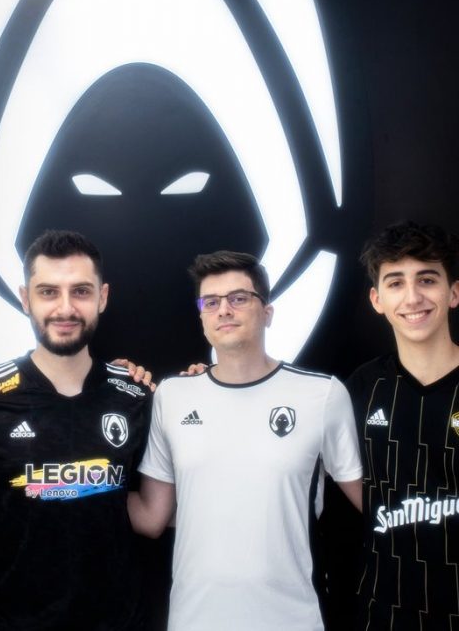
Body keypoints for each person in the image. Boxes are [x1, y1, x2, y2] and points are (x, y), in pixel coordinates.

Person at [128, 250, 363, 631]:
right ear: (201, 316)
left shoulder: (322, 395)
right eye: (211, 302)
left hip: (293, 620)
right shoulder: (172, 396)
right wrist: (78, 484)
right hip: (194, 619)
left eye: (239, 298)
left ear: (267, 312)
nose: (224, 310)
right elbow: (153, 517)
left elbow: (375, 504)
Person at [0, 230, 153, 630]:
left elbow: (157, 511)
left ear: (103, 297)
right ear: (26, 299)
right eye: (48, 292)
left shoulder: (136, 396)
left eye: (81, 291)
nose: (65, 308)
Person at [347, 221, 459, 629]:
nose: (413, 297)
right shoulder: (360, 389)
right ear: (377, 299)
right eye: (396, 283)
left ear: (453, 292)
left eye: (427, 279)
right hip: (386, 614)